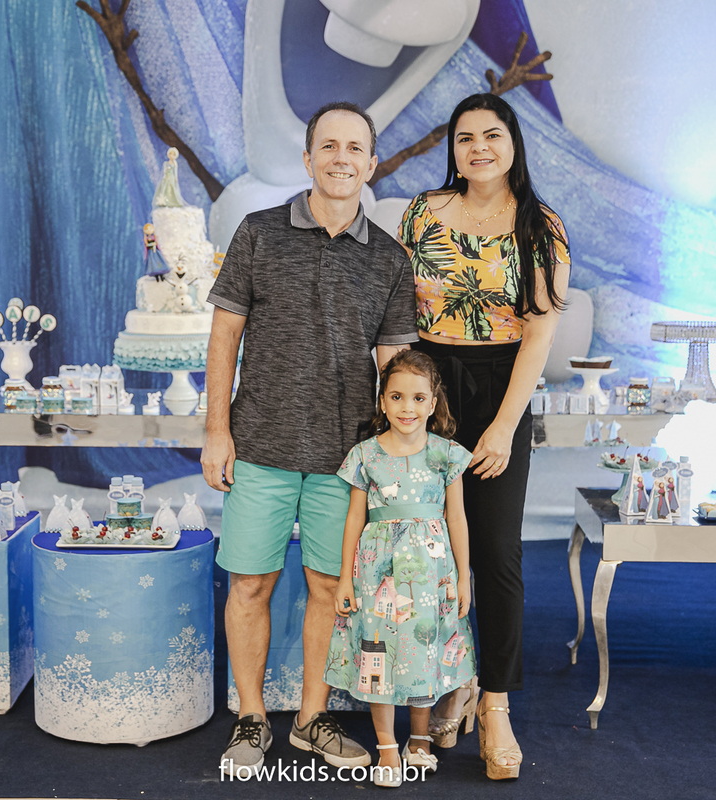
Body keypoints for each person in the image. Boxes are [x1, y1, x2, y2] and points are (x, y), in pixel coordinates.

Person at [203, 101, 418, 777]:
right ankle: (250, 717)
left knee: (330, 589)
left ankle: (309, 719)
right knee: (250, 586)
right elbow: (224, 336)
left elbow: (395, 367)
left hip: (344, 459)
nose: (341, 158)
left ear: (372, 164)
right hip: (259, 446)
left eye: (355, 148)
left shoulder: (389, 259)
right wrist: (216, 430)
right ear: (307, 158)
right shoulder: (259, 233)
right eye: (329, 146)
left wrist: (396, 455)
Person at [398, 92, 570, 780]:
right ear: (453, 148)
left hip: (503, 385)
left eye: (492, 136)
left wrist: (503, 425)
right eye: (465, 138)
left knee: (495, 551)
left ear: (513, 143)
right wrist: (403, 400)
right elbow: (399, 310)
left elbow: (540, 334)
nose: (478, 149)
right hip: (428, 386)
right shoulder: (423, 212)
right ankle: (452, 681)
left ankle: (495, 705)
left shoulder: (540, 225)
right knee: (431, 548)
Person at [325, 350, 475, 787]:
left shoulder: (447, 455)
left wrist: (463, 575)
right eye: (396, 397)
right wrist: (345, 577)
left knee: (423, 650)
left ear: (433, 402)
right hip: (377, 574)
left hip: (433, 574)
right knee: (380, 653)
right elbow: (355, 518)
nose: (407, 407)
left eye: (418, 398)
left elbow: (457, 518)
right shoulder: (365, 455)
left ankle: (419, 739)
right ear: (383, 401)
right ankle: (387, 746)